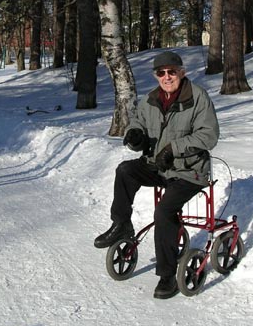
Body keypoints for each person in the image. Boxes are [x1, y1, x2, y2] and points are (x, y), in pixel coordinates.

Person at [94, 50, 220, 299]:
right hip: (158, 165)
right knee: (125, 170)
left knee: (163, 211)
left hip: (189, 172)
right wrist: (134, 135)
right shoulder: (151, 99)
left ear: (181, 73)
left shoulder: (198, 98)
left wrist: (175, 148)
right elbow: (137, 122)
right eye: (161, 73)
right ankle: (121, 224)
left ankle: (167, 276)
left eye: (171, 72)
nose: (167, 77)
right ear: (156, 76)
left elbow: (209, 136)